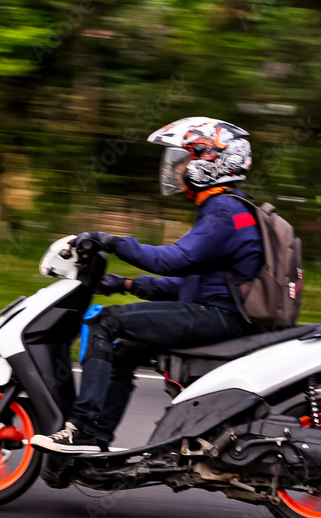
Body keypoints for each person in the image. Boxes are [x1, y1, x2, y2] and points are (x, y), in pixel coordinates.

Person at [30, 117, 263, 454]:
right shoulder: (229, 207)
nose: (175, 168)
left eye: (183, 159)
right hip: (218, 312)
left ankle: (82, 428)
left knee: (103, 322)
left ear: (211, 161)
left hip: (219, 318)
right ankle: (96, 438)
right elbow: (185, 283)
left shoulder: (224, 210)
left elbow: (173, 260)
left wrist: (109, 241)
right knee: (123, 351)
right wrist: (125, 283)